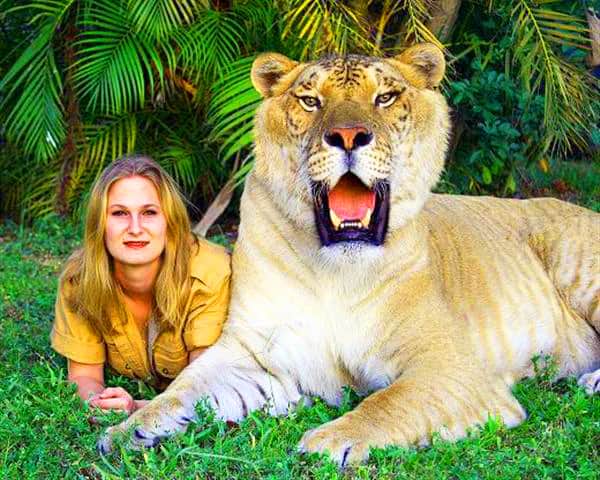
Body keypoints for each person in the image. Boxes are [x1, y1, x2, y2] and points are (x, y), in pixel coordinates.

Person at [51, 155, 231, 414]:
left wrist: (136, 407)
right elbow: (84, 375)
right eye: (119, 213)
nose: (135, 228)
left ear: (169, 221)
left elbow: (204, 391)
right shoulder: (79, 281)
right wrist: (97, 402)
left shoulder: (210, 273)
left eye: (149, 212)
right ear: (100, 223)